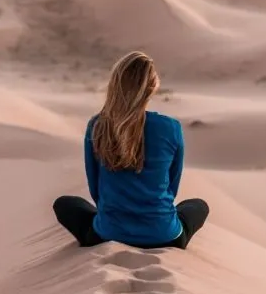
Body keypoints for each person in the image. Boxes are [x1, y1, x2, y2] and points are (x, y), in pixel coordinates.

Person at [53, 51, 209, 249]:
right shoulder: (171, 127)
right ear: (153, 87)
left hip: (107, 233)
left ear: (114, 84)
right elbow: (172, 187)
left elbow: (95, 189)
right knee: (198, 206)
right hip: (164, 235)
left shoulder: (98, 125)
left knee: (65, 204)